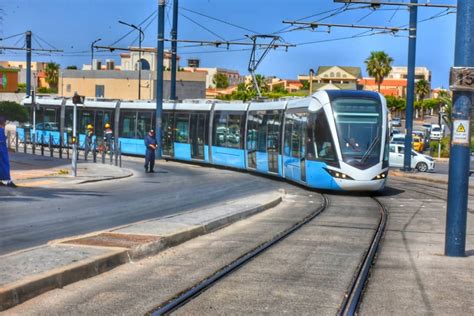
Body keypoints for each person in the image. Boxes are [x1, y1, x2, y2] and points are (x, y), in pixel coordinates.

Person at [0, 116, 15, 187]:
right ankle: (8, 181)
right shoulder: (2, 130)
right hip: (2, 150)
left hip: (2, 149)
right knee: (5, 165)